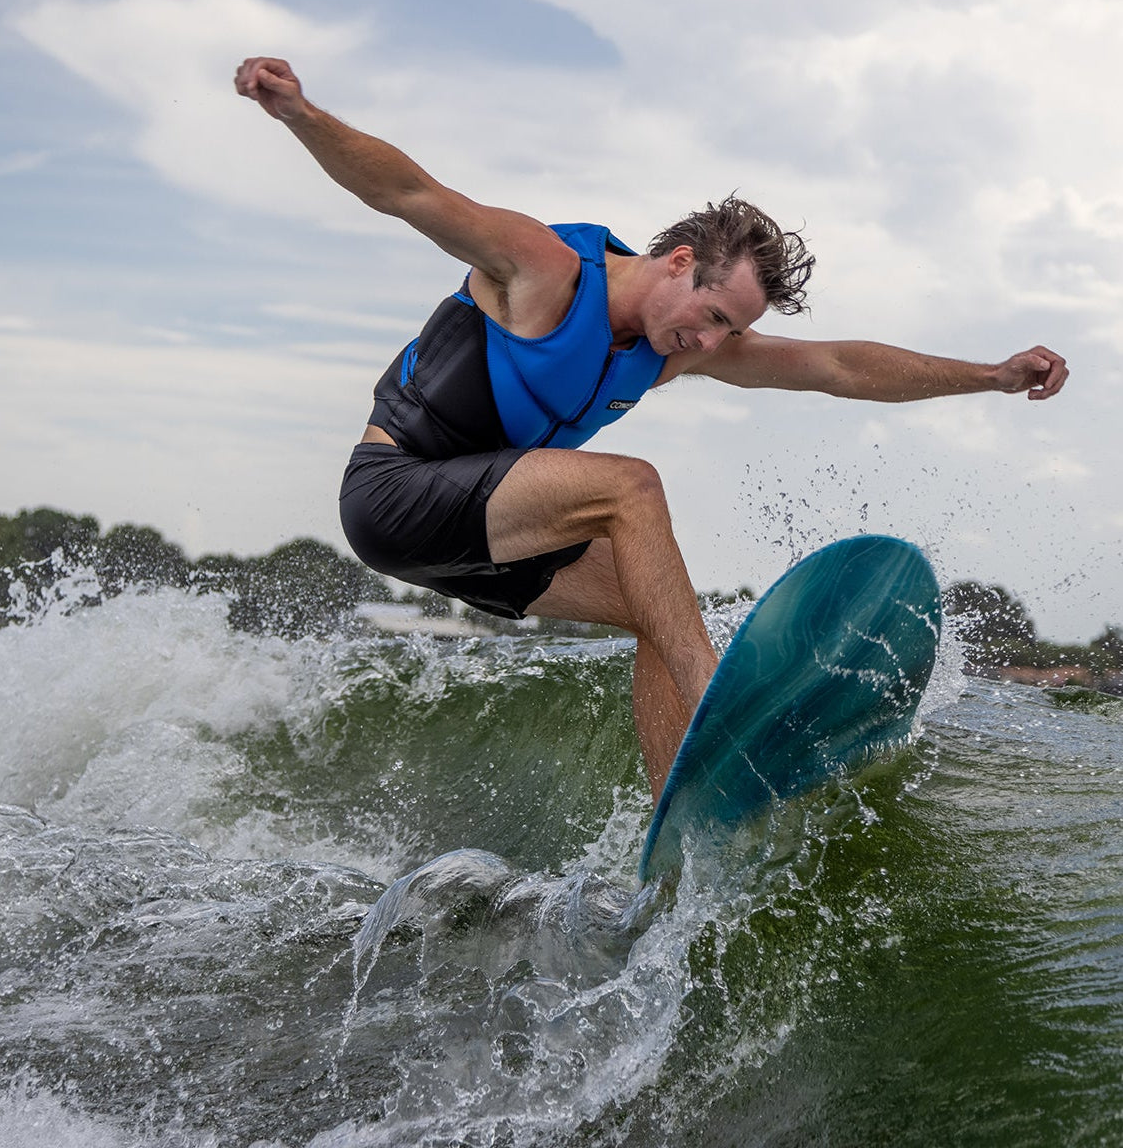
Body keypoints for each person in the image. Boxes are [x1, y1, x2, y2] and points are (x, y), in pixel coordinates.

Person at [234, 56, 1069, 800]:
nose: (709, 345)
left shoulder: (672, 350)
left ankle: (685, 819)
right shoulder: (546, 269)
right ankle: (715, 695)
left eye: (727, 333)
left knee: (651, 601)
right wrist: (303, 116)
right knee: (631, 488)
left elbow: (837, 367)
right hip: (393, 492)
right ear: (678, 261)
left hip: (477, 524)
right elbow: (408, 192)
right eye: (709, 315)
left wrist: (989, 377)